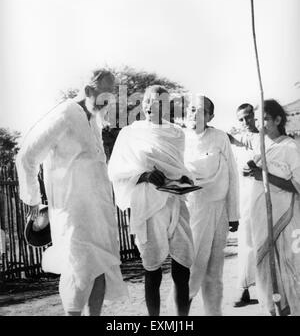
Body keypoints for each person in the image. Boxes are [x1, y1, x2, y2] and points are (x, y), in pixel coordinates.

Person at [16, 69, 128, 316]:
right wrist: (33, 199)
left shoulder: (93, 119)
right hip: (73, 213)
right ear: (88, 91)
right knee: (77, 270)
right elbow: (27, 157)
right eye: (104, 98)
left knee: (100, 267)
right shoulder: (65, 114)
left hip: (98, 212)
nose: (108, 104)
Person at [108, 85, 195, 316]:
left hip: (175, 202)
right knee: (152, 268)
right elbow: (115, 171)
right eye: (147, 101)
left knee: (182, 267)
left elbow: (179, 167)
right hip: (147, 203)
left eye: (157, 102)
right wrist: (144, 175)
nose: (149, 106)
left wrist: (185, 179)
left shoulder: (177, 134)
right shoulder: (129, 133)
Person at [184, 97, 240, 316]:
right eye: (191, 109)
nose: (194, 114)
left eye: (201, 111)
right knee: (192, 269)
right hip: (193, 209)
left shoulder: (219, 137)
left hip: (220, 211)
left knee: (214, 272)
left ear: (210, 117)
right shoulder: (179, 137)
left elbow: (232, 174)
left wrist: (233, 214)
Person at [247, 99, 300, 316]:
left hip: (286, 219)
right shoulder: (263, 147)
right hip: (262, 218)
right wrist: (254, 173)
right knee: (269, 272)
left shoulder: (290, 146)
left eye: (266, 119)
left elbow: (297, 185)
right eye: (259, 120)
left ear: (278, 119)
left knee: (290, 268)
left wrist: (264, 175)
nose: (261, 124)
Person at [228, 103, 260, 306]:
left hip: (267, 193)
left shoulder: (264, 137)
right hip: (246, 197)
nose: (245, 122)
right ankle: (244, 289)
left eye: (248, 117)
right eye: (241, 119)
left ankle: (274, 289)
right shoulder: (236, 140)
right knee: (246, 243)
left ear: (254, 116)